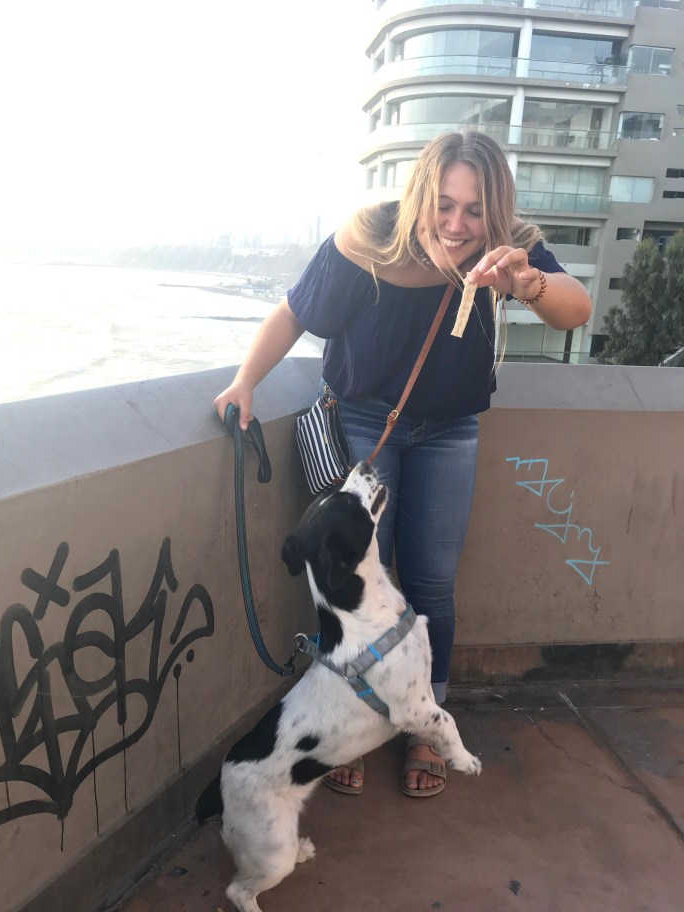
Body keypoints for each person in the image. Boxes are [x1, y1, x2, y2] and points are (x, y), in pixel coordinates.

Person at [214, 130, 591, 798]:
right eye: (444, 205)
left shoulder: (505, 246)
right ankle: (352, 726)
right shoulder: (370, 238)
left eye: (474, 210)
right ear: (420, 194)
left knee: (433, 583)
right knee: (362, 583)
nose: (457, 225)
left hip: (451, 431)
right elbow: (294, 312)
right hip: (367, 422)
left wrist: (526, 282)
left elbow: (575, 308)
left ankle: (425, 725)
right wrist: (245, 382)